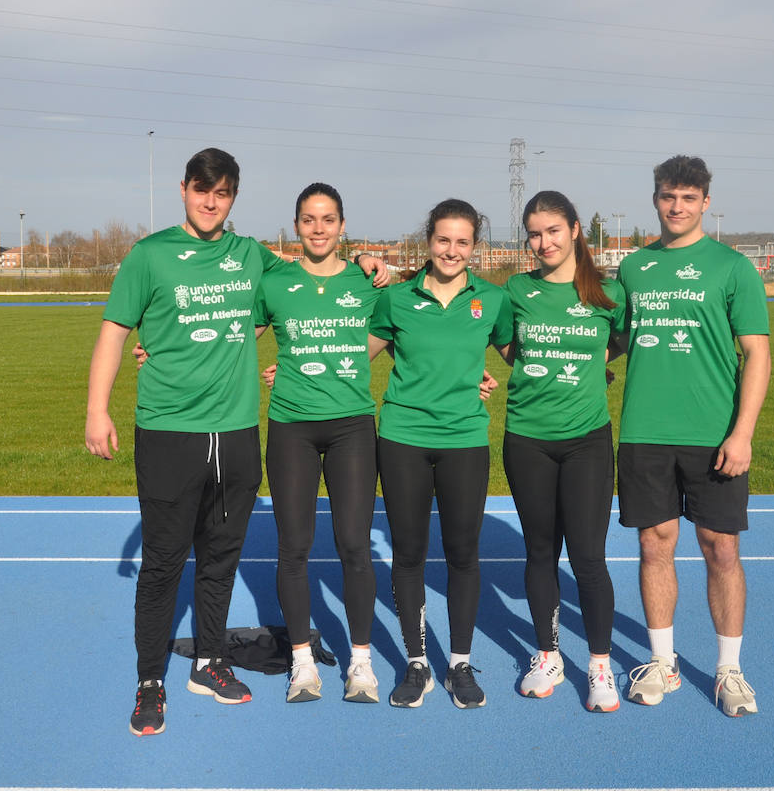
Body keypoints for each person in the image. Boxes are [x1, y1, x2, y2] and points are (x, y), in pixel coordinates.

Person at [84, 147, 287, 736]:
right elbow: (114, 334)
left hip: (238, 434)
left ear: (234, 199)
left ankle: (210, 661)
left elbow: (308, 285)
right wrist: (97, 411)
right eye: (202, 190)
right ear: (183, 189)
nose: (210, 202)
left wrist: (375, 265)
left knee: (221, 558)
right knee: (164, 564)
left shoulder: (250, 256)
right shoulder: (148, 256)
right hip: (170, 432)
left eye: (222, 193)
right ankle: (150, 681)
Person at [615, 155, 771, 717]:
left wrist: (743, 432)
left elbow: (757, 353)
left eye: (687, 197)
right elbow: (611, 340)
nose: (676, 207)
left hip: (712, 435)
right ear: (655, 199)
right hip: (643, 433)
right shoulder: (634, 269)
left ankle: (730, 670)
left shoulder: (733, 268)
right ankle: (663, 662)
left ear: (705, 202)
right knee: (654, 543)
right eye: (666, 196)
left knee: (721, 549)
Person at [367, 198, 512, 709]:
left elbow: (526, 354)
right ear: (428, 240)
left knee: (462, 555)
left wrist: (593, 363)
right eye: (443, 240)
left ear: (476, 247)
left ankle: (460, 665)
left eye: (462, 241)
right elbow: (349, 352)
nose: (452, 250)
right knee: (408, 555)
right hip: (403, 437)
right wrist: (293, 368)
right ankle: (416, 664)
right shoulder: (396, 299)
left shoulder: (491, 301)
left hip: (465, 441)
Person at [252, 182, 384, 704]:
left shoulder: (369, 280)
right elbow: (230, 334)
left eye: (328, 219)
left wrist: (473, 382)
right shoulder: (276, 282)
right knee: (295, 548)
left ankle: (360, 663)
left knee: (355, 546)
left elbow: (419, 330)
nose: (319, 229)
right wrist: (166, 350)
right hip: (292, 426)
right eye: (309, 219)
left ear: (343, 226)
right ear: (296, 226)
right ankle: (303, 663)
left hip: (352, 425)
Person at [502, 190, 626, 713]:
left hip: (586, 442)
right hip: (527, 439)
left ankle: (600, 665)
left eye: (552, 230)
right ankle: (548, 654)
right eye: (534, 232)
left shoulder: (610, 294)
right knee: (539, 553)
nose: (543, 241)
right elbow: (510, 349)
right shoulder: (515, 290)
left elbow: (618, 342)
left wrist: (591, 365)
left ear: (575, 229)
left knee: (589, 559)